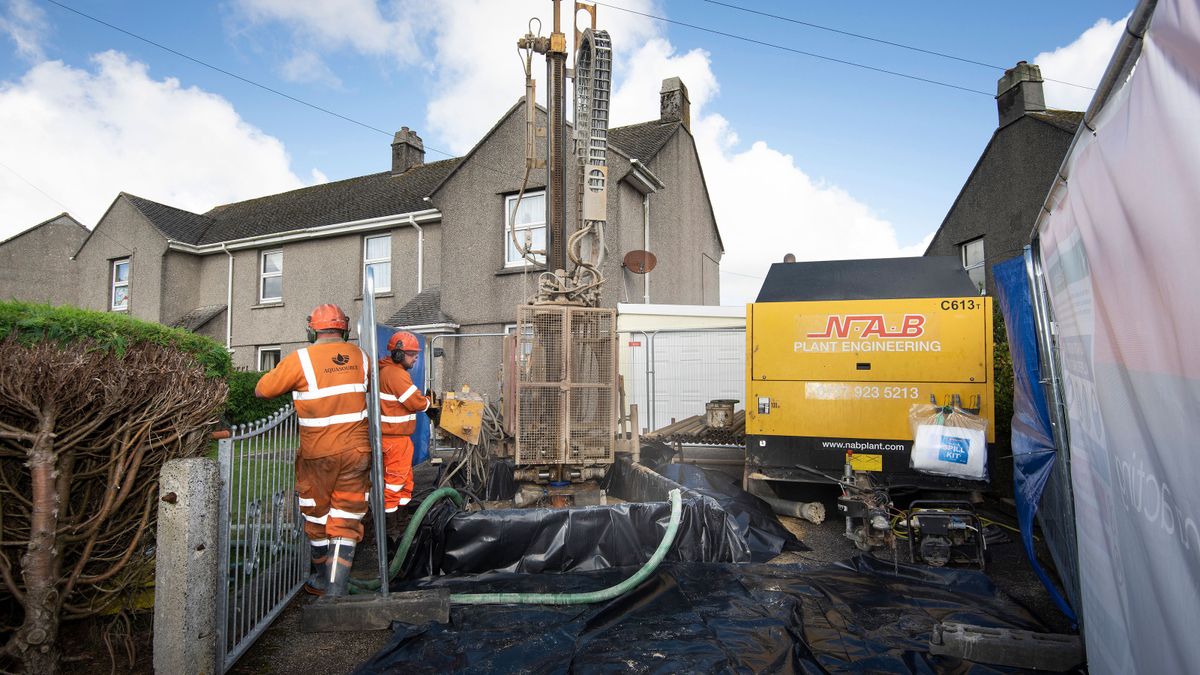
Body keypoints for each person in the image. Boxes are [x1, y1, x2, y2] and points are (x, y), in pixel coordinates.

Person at [255, 304, 370, 597]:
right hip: (356, 452)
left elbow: (262, 390)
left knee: (317, 516)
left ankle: (322, 581)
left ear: (311, 330)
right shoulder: (361, 357)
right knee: (346, 516)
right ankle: (337, 587)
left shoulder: (300, 360)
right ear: (344, 329)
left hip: (317, 454)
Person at [378, 331, 440, 537]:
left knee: (405, 481)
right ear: (398, 354)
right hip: (394, 441)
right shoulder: (394, 374)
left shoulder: (388, 372)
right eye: (412, 354)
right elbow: (414, 402)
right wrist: (429, 403)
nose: (415, 358)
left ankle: (402, 520)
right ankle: (390, 529)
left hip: (398, 440)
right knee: (395, 483)